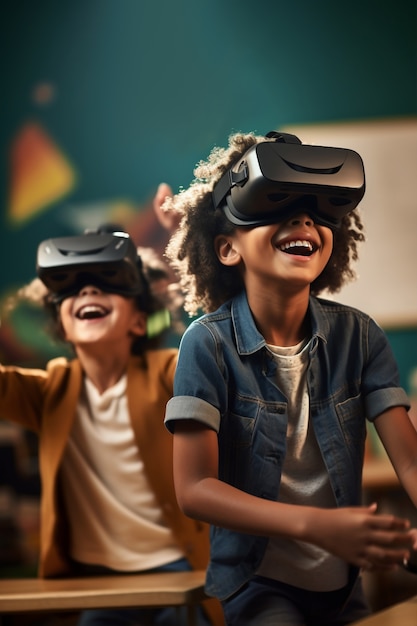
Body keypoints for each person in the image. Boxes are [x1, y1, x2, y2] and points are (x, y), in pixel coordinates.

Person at [163, 130, 417, 625]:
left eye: (319, 212)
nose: (304, 219)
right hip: (258, 585)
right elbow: (194, 489)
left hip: (343, 583)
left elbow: (408, 461)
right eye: (277, 205)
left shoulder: (360, 337)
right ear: (227, 248)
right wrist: (317, 525)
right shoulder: (207, 344)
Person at [0, 225, 223, 626]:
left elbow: (220, 359)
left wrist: (199, 250)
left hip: (182, 566)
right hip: (100, 581)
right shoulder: (51, 390)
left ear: (139, 321)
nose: (87, 292)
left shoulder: (169, 372)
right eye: (72, 289)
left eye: (106, 285)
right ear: (61, 325)